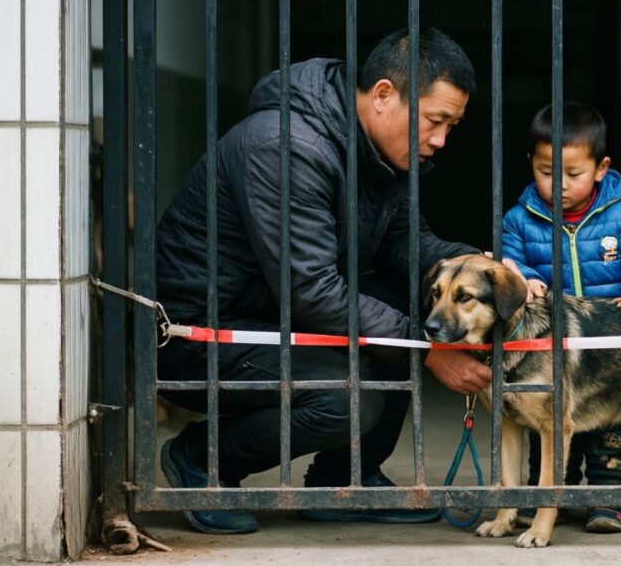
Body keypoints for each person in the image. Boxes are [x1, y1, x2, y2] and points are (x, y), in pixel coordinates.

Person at [154, 27, 502, 535]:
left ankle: (345, 481)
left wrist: (475, 263)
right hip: (201, 330)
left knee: (414, 303)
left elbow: (405, 244)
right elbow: (312, 290)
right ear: (383, 94)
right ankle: (202, 461)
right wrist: (426, 351)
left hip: (269, 308)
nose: (440, 140)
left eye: (451, 125)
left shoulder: (379, 150)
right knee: (349, 397)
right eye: (434, 121)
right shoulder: (286, 147)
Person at [500, 101, 621, 533]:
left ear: (601, 168)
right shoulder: (520, 220)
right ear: (531, 164)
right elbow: (507, 263)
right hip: (550, 353)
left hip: (610, 349)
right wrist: (523, 280)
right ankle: (546, 497)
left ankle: (609, 498)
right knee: (547, 430)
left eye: (573, 174)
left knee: (612, 433)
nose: (559, 184)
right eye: (546, 172)